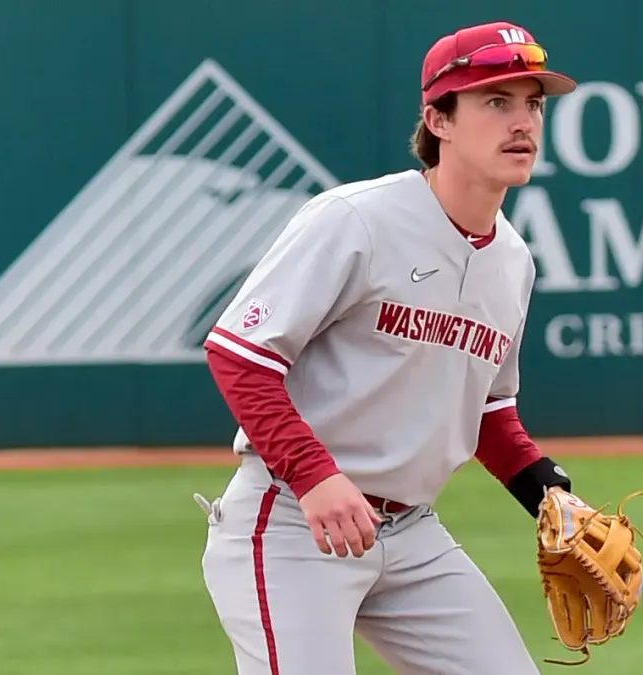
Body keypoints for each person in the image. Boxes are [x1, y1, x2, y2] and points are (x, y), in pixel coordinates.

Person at [195, 19, 579, 675]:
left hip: (410, 534)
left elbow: (488, 410)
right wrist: (314, 475)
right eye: (496, 101)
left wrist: (551, 495)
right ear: (439, 119)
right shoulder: (357, 220)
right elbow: (240, 354)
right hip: (293, 521)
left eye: (532, 103)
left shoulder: (512, 261)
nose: (523, 122)